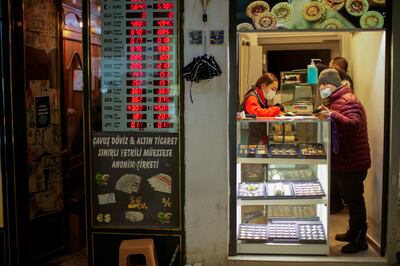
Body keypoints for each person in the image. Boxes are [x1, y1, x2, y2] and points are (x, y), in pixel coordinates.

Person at [314, 68, 371, 253]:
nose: (321, 87)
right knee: (349, 199)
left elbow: (353, 125)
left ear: (333, 84)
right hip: (345, 159)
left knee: (355, 201)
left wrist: (331, 115)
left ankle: (360, 239)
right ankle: (353, 231)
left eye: (324, 84)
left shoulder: (349, 100)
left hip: (353, 160)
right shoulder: (337, 101)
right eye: (320, 84)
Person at [240, 73, 283, 144]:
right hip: (249, 140)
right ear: (263, 86)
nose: (274, 93)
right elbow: (258, 113)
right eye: (273, 89)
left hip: (257, 137)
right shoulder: (252, 97)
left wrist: (274, 107)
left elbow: (262, 108)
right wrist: (276, 109)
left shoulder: (262, 98)